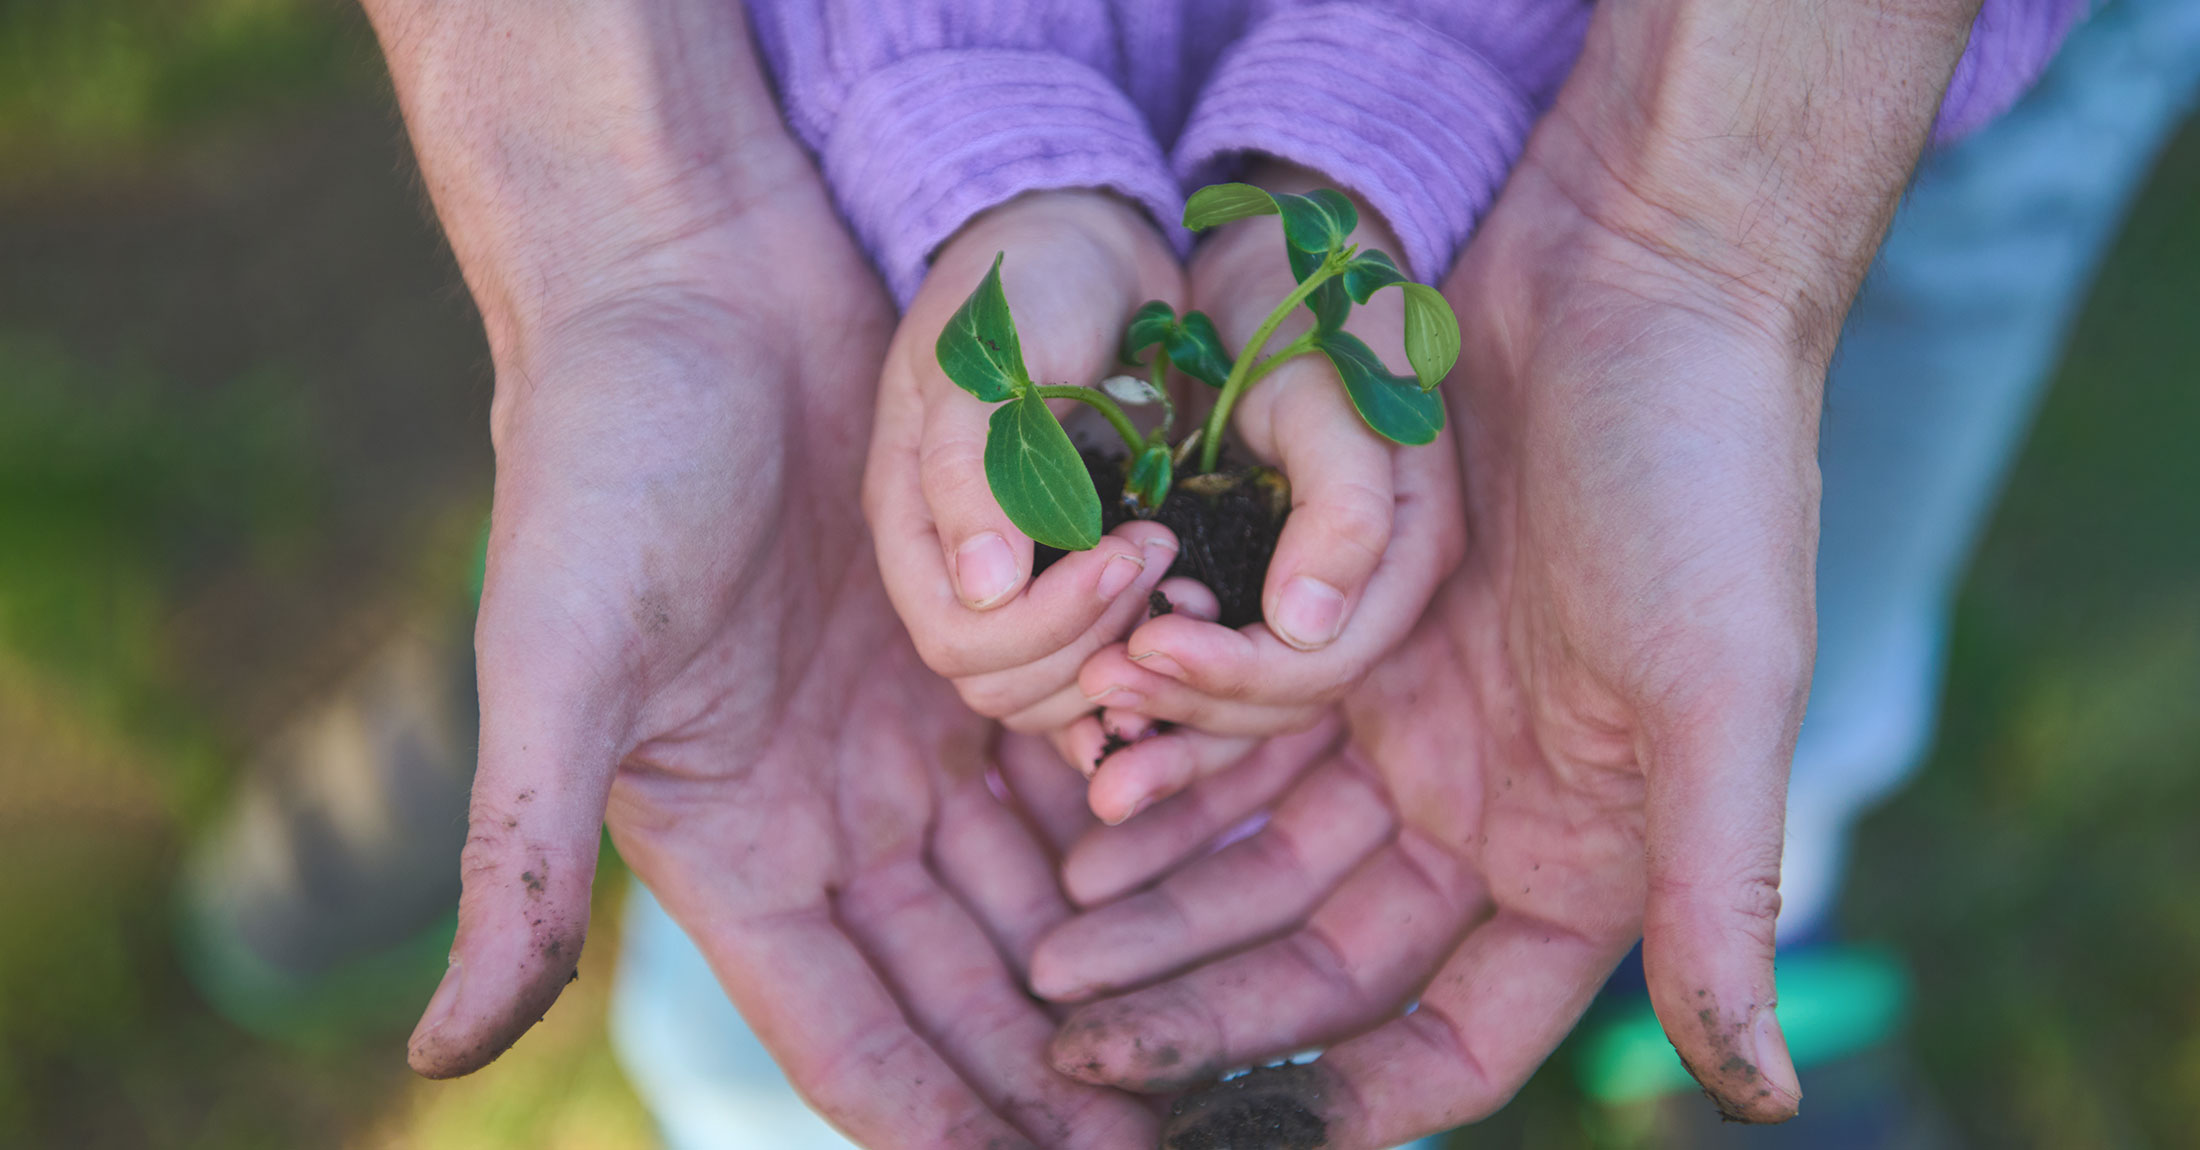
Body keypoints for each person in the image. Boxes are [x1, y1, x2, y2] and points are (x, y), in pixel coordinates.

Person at [326, 1, 2130, 1148]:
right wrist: (626, 245)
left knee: (1754, 583)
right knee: (789, 582)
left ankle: (1759, 897)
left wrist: (1705, 229)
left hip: (1846, 74)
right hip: (794, 102)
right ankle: (569, 651)